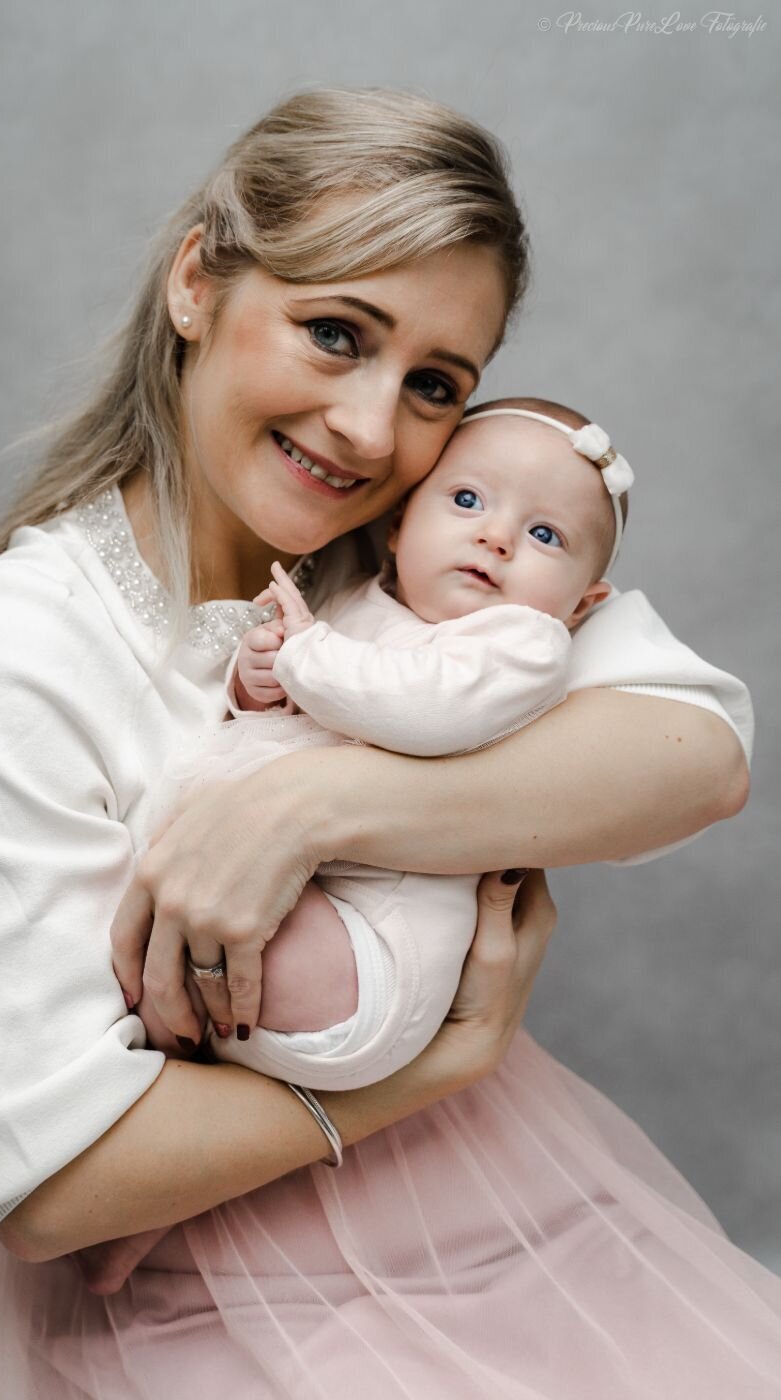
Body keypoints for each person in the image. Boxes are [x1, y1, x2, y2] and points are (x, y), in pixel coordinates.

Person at [0, 89, 781, 1397]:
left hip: (483, 1209)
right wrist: (435, 1068)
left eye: (432, 386)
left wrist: (306, 808)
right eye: (332, 332)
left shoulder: (434, 548)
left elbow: (698, 757)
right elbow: (61, 1189)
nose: (368, 429)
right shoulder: (22, 646)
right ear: (198, 282)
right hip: (187, 1287)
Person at [129, 397, 632, 1088]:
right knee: (168, 916)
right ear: (398, 527)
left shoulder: (521, 644)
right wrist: (258, 683)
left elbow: (421, 711)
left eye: (545, 535)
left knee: (215, 932)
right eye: (466, 500)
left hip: (371, 948)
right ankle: (161, 1031)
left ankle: (178, 1022)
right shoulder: (361, 600)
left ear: (581, 604)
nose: (497, 538)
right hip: (282, 897)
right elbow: (289, 721)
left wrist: (306, 658)